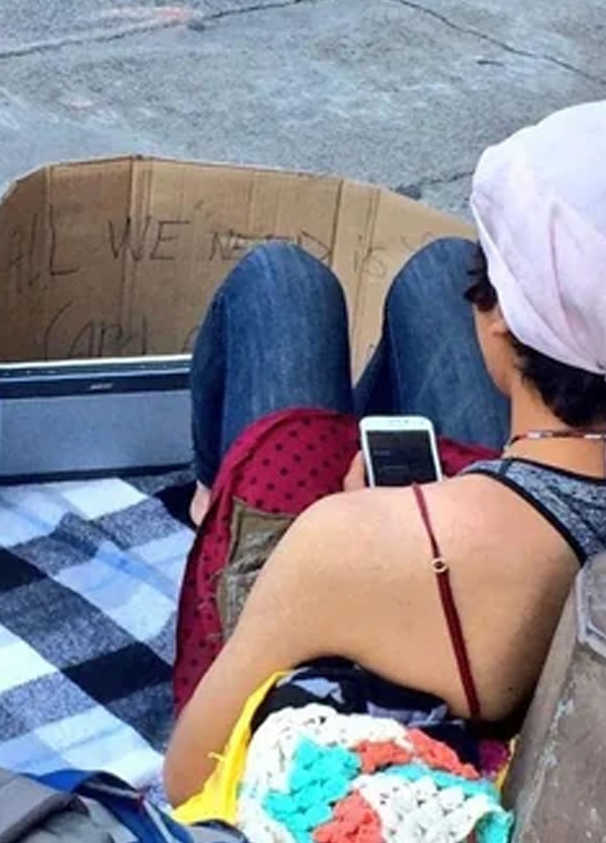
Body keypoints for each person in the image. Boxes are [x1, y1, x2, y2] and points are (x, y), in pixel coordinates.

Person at [164, 102, 606, 808]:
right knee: (434, 269)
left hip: (393, 671)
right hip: (505, 582)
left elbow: (190, 779)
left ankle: (210, 498)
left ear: (498, 321)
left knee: (282, 281)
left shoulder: (351, 544)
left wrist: (358, 523)